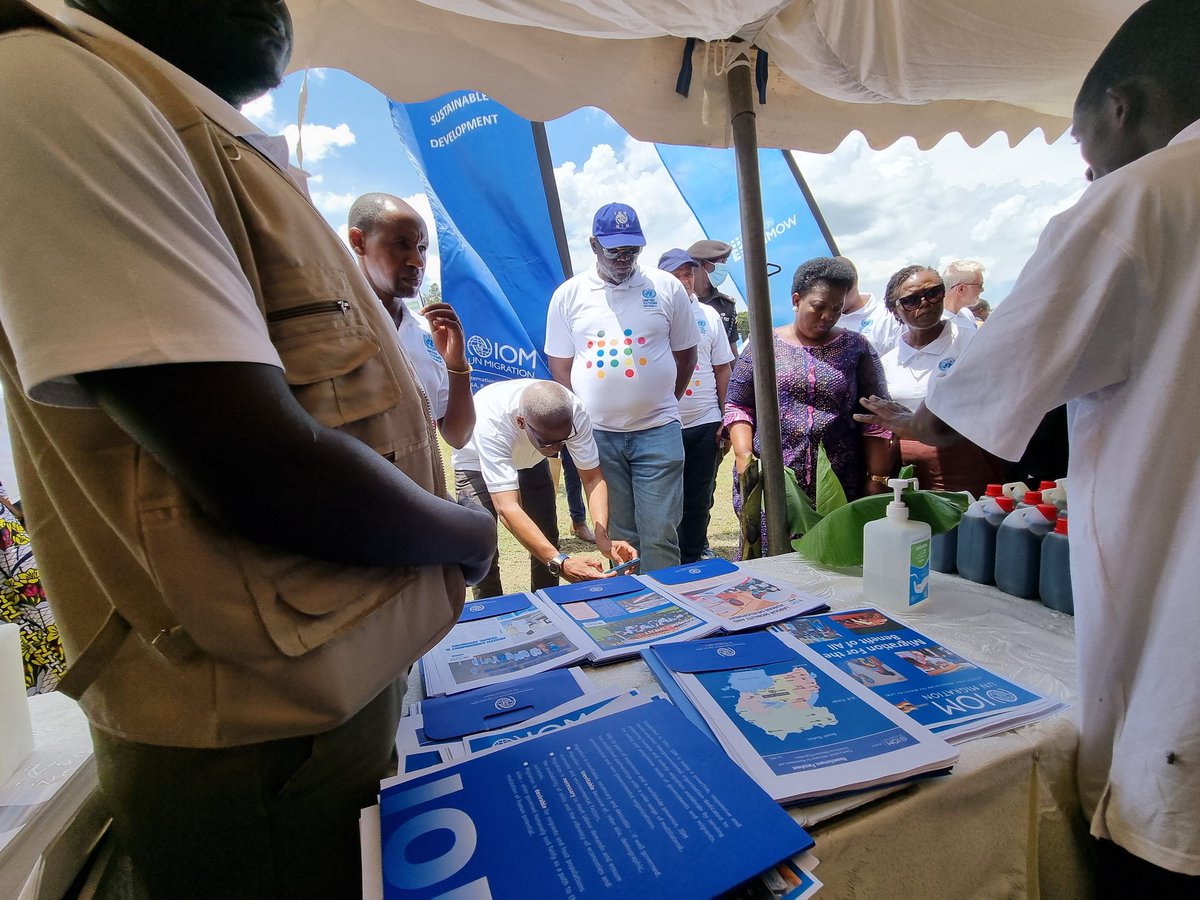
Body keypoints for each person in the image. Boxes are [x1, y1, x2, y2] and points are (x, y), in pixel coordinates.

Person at [0, 3, 496, 898]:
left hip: (328, 690)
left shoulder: (193, 127)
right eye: (404, 244)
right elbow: (263, 467)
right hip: (255, 737)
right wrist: (465, 535)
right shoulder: (53, 84)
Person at [858, 1, 1200, 891]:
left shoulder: (1142, 200)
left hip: (1179, 687)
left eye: (1089, 156)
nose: (1092, 176)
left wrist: (910, 424)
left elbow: (967, 411)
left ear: (1121, 107)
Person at [546, 203, 699, 573]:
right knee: (619, 535)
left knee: (660, 532)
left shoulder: (666, 288)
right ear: (594, 245)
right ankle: (631, 613)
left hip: (658, 432)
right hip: (599, 437)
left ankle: (669, 614)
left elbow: (687, 354)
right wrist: (581, 420)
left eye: (632, 250)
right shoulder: (569, 295)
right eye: (615, 250)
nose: (624, 258)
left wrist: (663, 402)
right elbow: (559, 366)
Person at [725, 257, 892, 552]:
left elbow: (876, 418)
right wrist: (744, 458)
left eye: (837, 308)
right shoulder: (764, 344)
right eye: (819, 306)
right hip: (775, 485)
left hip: (840, 485)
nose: (828, 316)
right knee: (774, 566)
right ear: (797, 299)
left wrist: (877, 480)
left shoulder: (857, 348)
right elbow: (739, 406)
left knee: (835, 565)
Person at [452, 379, 635, 596]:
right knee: (482, 547)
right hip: (475, 462)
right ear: (521, 422)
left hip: (531, 460)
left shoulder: (574, 412)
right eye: (549, 443)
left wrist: (602, 537)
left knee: (547, 535)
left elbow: (593, 478)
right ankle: (494, 614)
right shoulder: (494, 422)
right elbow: (508, 508)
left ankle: (549, 607)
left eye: (563, 440)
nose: (556, 449)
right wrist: (561, 562)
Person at [348, 192, 474, 448]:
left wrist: (457, 366)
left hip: (422, 486)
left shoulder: (427, 334)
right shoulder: (337, 325)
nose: (417, 261)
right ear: (359, 241)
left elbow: (457, 437)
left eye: (422, 248)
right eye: (400, 243)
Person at [877, 265, 1006, 495]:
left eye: (933, 293)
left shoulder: (972, 344)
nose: (925, 302)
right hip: (907, 474)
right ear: (895, 310)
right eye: (911, 300)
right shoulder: (886, 364)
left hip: (967, 465)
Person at [658, 249, 734, 563]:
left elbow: (723, 369)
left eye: (688, 274)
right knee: (663, 501)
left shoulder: (710, 315)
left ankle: (691, 562)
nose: (684, 281)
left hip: (704, 422)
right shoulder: (651, 315)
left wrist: (726, 416)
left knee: (699, 499)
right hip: (662, 425)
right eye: (675, 276)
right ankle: (665, 559)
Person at [836, 255, 901, 356]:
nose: (833, 302)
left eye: (839, 295)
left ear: (854, 283)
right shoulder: (823, 321)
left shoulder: (886, 316)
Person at [688, 238, 740, 360]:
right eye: (722, 261)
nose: (725, 267)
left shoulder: (726, 305)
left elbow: (732, 353)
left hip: (719, 375)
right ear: (705, 264)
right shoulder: (681, 302)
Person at [940, 260, 985, 332]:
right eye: (980, 285)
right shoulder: (932, 322)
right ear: (961, 289)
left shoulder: (967, 314)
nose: (982, 289)